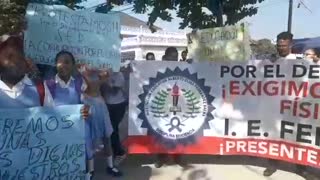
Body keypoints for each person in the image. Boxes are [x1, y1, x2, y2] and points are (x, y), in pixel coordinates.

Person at [44, 50, 92, 178]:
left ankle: (86, 174)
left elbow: (87, 103)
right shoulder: (47, 84)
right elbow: (44, 110)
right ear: (55, 64)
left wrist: (87, 110)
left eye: (67, 62)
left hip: (77, 130)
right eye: (60, 62)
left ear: (73, 65)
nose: (63, 65)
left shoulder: (79, 83)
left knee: (81, 156)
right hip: (57, 132)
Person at [80, 66, 123, 177]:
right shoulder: (80, 71)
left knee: (106, 136)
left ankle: (110, 166)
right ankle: (91, 169)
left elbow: (100, 82)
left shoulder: (101, 69)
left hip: (99, 104)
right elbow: (91, 86)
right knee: (89, 138)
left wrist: (102, 73)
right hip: (86, 105)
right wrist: (85, 73)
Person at [154, 47, 184, 168]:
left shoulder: (182, 67)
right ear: (165, 57)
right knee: (162, 131)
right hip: (163, 105)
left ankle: (178, 157)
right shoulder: (158, 68)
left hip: (178, 104)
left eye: (176, 57)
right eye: (172, 57)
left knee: (180, 132)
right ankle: (161, 157)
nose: (174, 59)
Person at [101, 70, 128, 166]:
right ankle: (113, 150)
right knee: (109, 129)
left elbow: (114, 91)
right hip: (106, 104)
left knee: (113, 129)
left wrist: (105, 80)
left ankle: (120, 153)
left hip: (118, 105)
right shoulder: (102, 72)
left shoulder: (119, 74)